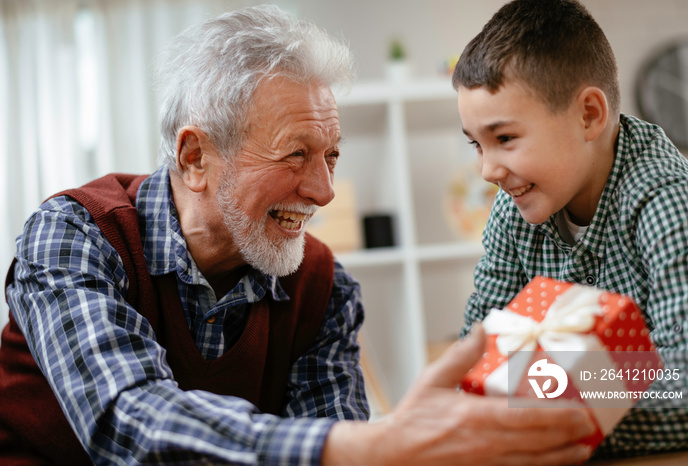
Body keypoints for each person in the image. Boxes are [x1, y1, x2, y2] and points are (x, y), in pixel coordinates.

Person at [1, 5, 596, 465]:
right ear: (195, 157)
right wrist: (373, 445)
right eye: (295, 154)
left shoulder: (324, 286)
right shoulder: (75, 236)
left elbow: (336, 432)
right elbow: (126, 421)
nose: (324, 190)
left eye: (331, 156)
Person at [453, 0, 688, 460]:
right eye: (476, 144)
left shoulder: (667, 201)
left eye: (504, 138)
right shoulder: (518, 206)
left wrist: (550, 399)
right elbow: (480, 347)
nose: (487, 170)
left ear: (588, 114)